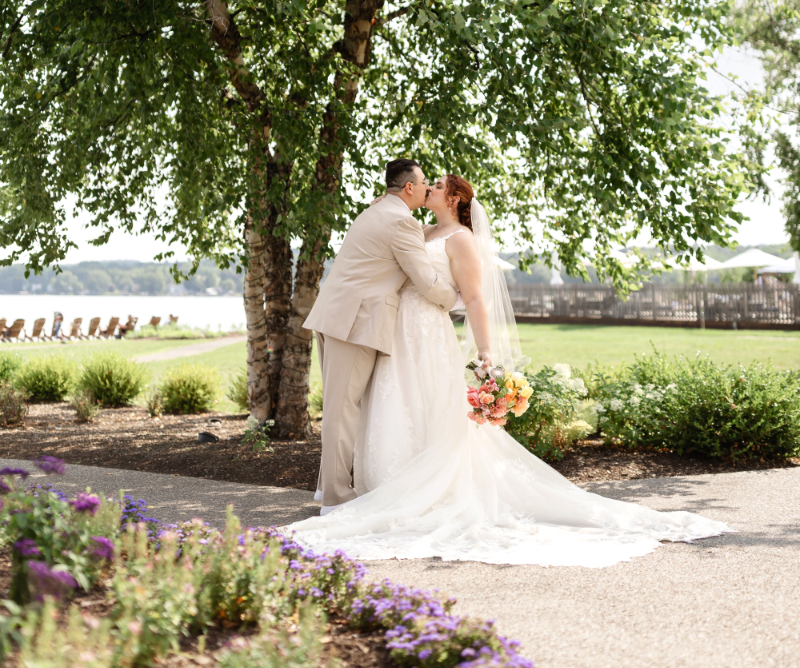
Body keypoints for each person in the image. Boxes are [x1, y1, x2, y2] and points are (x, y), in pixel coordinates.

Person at [289, 174, 730, 567]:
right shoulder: (415, 228)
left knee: (425, 402)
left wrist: (485, 352)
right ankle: (380, 487)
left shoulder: (460, 240)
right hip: (394, 330)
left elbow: (475, 298)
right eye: (429, 183)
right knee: (389, 401)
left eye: (439, 186)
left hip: (427, 331)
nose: (430, 189)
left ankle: (419, 494)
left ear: (457, 198)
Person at [302, 160, 458, 514]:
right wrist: (454, 298)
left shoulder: (375, 210)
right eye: (423, 183)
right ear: (408, 188)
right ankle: (335, 499)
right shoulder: (401, 221)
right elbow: (424, 279)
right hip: (355, 323)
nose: (426, 188)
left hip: (336, 316)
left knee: (338, 408)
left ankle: (326, 488)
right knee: (342, 411)